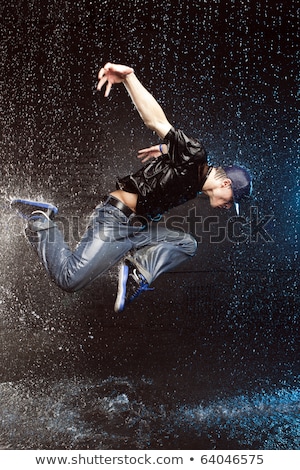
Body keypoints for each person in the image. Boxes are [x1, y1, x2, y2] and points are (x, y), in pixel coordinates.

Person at [12, 62, 252, 312]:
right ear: (226, 183)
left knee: (187, 243)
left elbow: (176, 164)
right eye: (231, 200)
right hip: (116, 220)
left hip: (137, 229)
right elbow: (156, 120)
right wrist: (129, 78)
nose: (227, 206)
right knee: (70, 279)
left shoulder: (195, 178)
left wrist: (164, 149)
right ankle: (41, 220)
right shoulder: (195, 155)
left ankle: (137, 271)